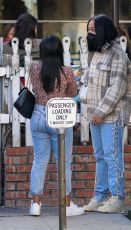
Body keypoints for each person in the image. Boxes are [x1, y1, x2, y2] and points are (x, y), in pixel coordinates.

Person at [82, 15, 131, 213]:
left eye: (93, 30)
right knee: (100, 156)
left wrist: (100, 112)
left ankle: (117, 197)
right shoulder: (95, 53)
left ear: (104, 30)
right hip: (94, 115)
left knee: (112, 156)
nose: (90, 33)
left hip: (111, 115)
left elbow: (117, 89)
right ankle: (100, 196)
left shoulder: (118, 55)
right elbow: (86, 80)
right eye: (88, 29)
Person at [29, 35, 85, 217]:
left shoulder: (34, 68)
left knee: (39, 160)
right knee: (63, 162)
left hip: (37, 115)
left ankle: (35, 204)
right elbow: (73, 93)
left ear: (43, 51)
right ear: (60, 51)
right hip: (59, 117)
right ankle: (66, 205)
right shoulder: (66, 72)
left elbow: (35, 88)